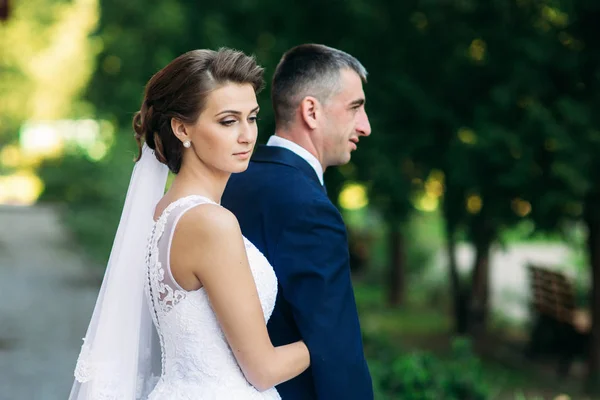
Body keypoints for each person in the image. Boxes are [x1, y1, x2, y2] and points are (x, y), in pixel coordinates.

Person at [69, 48, 309, 400]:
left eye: (252, 118)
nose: (247, 135)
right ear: (182, 128)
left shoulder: (165, 210)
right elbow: (263, 369)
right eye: (228, 121)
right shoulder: (211, 223)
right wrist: (329, 337)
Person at [222, 44, 374, 399]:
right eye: (355, 108)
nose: (365, 126)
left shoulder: (231, 179)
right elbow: (335, 350)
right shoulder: (310, 210)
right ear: (311, 111)